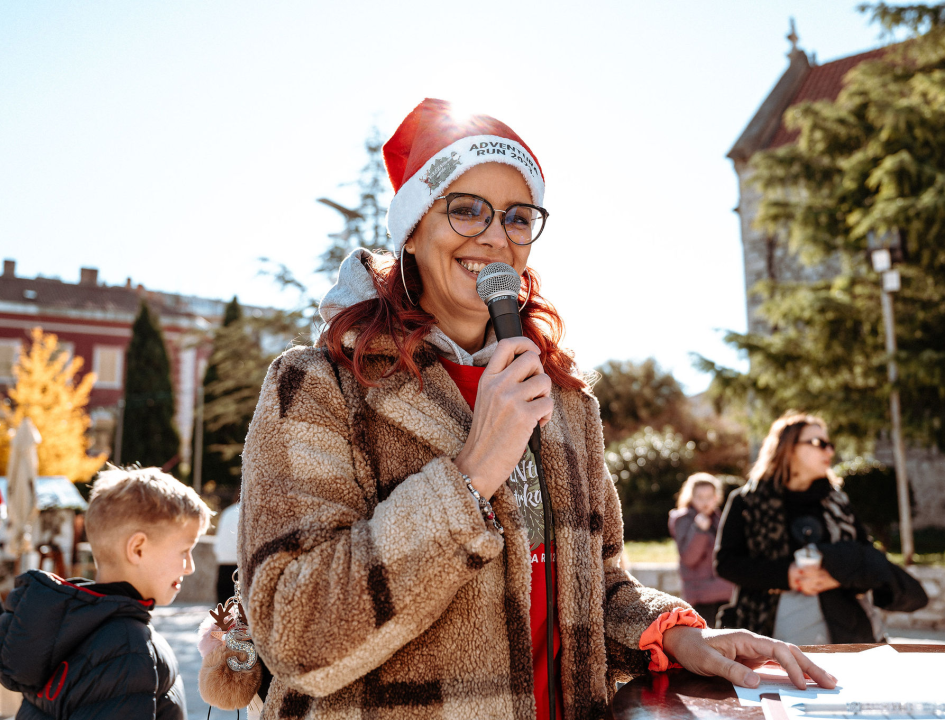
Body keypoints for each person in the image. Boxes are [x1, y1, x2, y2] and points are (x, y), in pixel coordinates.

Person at [237, 98, 835, 720]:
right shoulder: (320, 385)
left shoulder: (565, 400)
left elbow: (596, 589)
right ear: (411, 231)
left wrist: (682, 637)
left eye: (518, 217)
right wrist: (470, 476)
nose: (495, 237)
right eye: (465, 210)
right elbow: (293, 635)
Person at [0, 465, 212, 719]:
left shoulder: (65, 628)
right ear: (138, 549)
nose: (190, 567)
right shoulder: (127, 647)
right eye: (184, 551)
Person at [714, 411, 928, 645]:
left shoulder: (836, 502)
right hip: (768, 630)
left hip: (847, 631)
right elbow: (725, 563)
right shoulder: (746, 502)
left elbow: (865, 556)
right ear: (788, 448)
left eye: (830, 444)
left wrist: (836, 576)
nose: (829, 451)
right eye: (819, 443)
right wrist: (787, 575)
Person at [668, 473, 735, 628]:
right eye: (700, 497)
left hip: (725, 593)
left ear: (716, 497)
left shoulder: (720, 519)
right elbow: (689, 558)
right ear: (691, 497)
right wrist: (699, 531)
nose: (705, 502)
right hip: (701, 596)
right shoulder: (683, 519)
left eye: (709, 496)